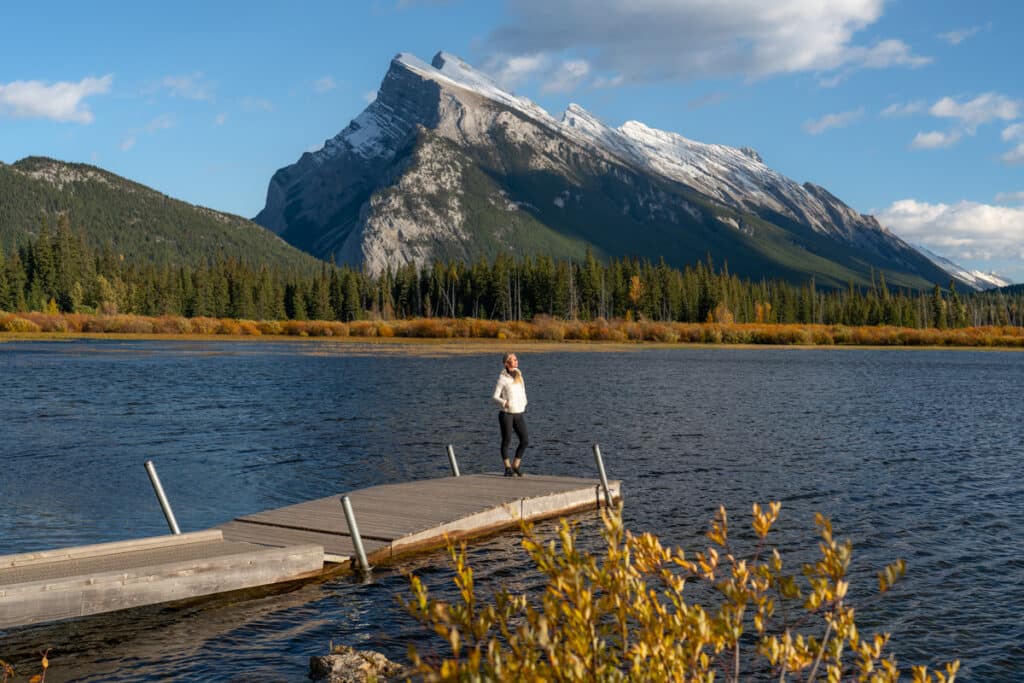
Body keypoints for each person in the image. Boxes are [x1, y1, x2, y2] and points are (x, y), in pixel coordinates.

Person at [492, 352, 528, 477]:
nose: (516, 361)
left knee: (525, 440)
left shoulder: (519, 374)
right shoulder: (502, 378)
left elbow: (522, 392)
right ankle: (507, 467)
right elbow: (494, 397)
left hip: (518, 412)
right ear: (507, 363)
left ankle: (515, 465)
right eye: (514, 360)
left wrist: (524, 403)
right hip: (506, 414)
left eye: (516, 359)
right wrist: (504, 402)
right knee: (506, 440)